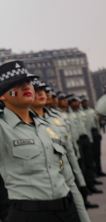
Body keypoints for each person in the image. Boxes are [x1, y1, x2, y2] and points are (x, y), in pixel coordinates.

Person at [0, 60, 90, 222]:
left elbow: (68, 180)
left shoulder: (46, 127)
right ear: (2, 94)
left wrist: (83, 217)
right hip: (30, 215)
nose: (26, 87)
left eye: (28, 82)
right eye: (17, 84)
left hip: (68, 211)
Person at [29, 80, 97, 209]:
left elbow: (69, 150)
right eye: (36, 91)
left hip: (67, 163)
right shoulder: (25, 122)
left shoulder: (57, 118)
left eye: (44, 91)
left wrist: (81, 182)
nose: (45, 94)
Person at [67, 95, 103, 194]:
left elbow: (87, 126)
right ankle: (86, 186)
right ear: (70, 103)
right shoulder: (68, 115)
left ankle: (91, 182)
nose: (79, 103)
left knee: (90, 161)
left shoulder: (83, 113)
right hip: (78, 141)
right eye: (75, 102)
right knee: (82, 166)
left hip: (87, 138)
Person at [80, 96, 105, 177]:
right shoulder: (80, 113)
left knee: (97, 153)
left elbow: (97, 123)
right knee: (91, 156)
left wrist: (99, 133)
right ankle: (93, 172)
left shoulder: (92, 111)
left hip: (95, 133)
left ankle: (99, 170)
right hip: (88, 135)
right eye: (84, 101)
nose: (86, 103)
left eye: (87, 101)